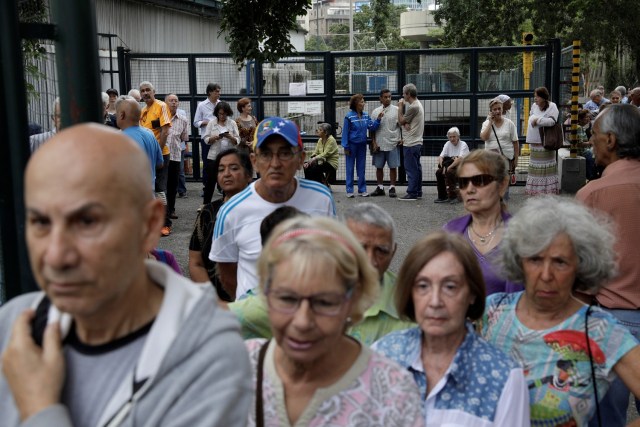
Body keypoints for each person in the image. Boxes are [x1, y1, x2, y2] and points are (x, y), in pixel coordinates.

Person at [0, 123, 252, 426]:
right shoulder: (14, 323)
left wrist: (38, 409)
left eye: (88, 222)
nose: (55, 255)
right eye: (40, 222)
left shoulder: (208, 358)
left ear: (148, 227)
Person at [245, 216, 423, 427]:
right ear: (265, 295)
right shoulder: (237, 368)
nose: (303, 322)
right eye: (287, 299)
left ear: (354, 300)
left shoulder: (393, 392)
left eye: (324, 303)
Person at [481, 196, 640, 427]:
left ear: (581, 266)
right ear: (519, 261)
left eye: (560, 262)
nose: (546, 275)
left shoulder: (599, 330)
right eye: (535, 259)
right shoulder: (491, 312)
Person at [373, 232, 529, 426]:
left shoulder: (503, 378)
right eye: (423, 286)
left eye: (450, 287)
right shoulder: (381, 356)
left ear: (472, 293)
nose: (435, 301)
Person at [230, 202, 415, 344]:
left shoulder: (410, 302)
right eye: (360, 248)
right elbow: (225, 316)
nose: (370, 261)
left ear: (394, 251)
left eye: (381, 251)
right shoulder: (299, 287)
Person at [210, 117, 336, 300]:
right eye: (266, 154)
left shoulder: (321, 198)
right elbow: (227, 271)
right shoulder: (231, 210)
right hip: (255, 322)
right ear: (254, 161)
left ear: (301, 159)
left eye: (285, 153)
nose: (275, 163)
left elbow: (330, 255)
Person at [576, 104, 640, 426]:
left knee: (606, 419)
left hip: (612, 323)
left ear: (611, 140)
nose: (591, 142)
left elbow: (580, 269)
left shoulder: (592, 194)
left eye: (594, 136)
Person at [443, 149, 522, 295]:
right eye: (463, 182)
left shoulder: (522, 236)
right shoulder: (449, 233)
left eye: (480, 181)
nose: (470, 189)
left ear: (503, 185)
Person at [189, 148, 253, 302]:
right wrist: (215, 302)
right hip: (216, 302)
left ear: (249, 174)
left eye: (234, 168)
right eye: (221, 169)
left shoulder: (260, 211)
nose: (227, 174)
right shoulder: (208, 213)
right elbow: (196, 262)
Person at [115, 95, 163, 191]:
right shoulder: (150, 135)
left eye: (116, 114)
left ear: (121, 115)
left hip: (131, 198)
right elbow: (160, 163)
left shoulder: (120, 138)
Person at [341, 93, 382, 198]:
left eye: (363, 101)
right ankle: (349, 190)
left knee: (361, 168)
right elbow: (345, 132)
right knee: (349, 168)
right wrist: (345, 146)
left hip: (362, 146)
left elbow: (371, 127)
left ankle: (362, 190)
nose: (364, 103)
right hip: (351, 145)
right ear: (356, 103)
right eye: (362, 102)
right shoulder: (348, 116)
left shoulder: (365, 115)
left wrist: (378, 120)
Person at [139, 81, 172, 211]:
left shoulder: (161, 106)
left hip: (161, 154)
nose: (145, 93)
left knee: (160, 187)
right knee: (149, 187)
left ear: (154, 92)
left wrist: (157, 152)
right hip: (147, 156)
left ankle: (165, 222)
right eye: (142, 91)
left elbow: (165, 131)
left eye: (148, 90)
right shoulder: (142, 111)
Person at [524, 87, 560, 195]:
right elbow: (531, 117)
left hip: (546, 141)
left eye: (538, 96)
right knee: (535, 166)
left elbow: (552, 121)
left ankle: (548, 190)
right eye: (535, 96)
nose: (535, 99)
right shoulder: (534, 106)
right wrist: (535, 120)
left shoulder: (552, 106)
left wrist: (538, 120)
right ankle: (535, 190)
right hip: (534, 142)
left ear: (544, 97)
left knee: (546, 167)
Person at [202, 101, 240, 204]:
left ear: (228, 113)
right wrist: (214, 138)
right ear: (217, 113)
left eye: (224, 114)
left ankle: (226, 204)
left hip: (229, 157)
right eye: (220, 114)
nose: (222, 116)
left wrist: (230, 137)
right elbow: (205, 138)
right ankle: (205, 205)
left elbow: (237, 139)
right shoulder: (212, 123)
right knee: (210, 182)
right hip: (214, 157)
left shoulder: (232, 123)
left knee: (227, 182)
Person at [163, 93, 189, 236]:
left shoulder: (183, 120)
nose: (174, 103)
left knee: (173, 185)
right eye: (171, 100)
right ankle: (163, 212)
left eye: (176, 101)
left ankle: (171, 209)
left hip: (175, 155)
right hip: (161, 156)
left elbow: (185, 137)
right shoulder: (161, 117)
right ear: (165, 103)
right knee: (162, 185)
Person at [480, 98, 519, 190]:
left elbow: (515, 142)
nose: (497, 111)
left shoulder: (510, 124)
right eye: (495, 109)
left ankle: (502, 201)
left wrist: (516, 159)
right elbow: (484, 137)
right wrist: (490, 122)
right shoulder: (486, 124)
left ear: (502, 109)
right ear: (491, 111)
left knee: (503, 185)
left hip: (506, 157)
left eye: (499, 109)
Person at [370, 88, 401, 198]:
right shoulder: (375, 112)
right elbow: (372, 130)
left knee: (393, 166)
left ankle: (392, 187)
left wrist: (401, 138)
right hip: (379, 143)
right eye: (385, 97)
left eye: (389, 97)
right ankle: (380, 187)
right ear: (380, 98)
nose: (388, 99)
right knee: (379, 167)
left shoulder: (397, 110)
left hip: (393, 142)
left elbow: (401, 126)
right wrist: (374, 143)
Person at [398, 83, 425, 201]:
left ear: (408, 94)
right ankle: (418, 191)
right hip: (416, 142)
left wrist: (400, 107)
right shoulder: (417, 105)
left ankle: (412, 192)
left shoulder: (413, 106)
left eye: (404, 93)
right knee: (417, 168)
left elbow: (400, 121)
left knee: (411, 169)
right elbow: (405, 121)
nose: (403, 96)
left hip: (411, 143)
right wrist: (405, 122)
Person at [193, 83, 221, 192]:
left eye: (219, 91)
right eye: (216, 91)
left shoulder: (221, 104)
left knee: (220, 162)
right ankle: (206, 187)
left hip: (219, 138)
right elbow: (195, 122)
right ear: (210, 92)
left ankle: (220, 186)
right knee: (207, 163)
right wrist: (204, 122)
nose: (219, 93)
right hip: (207, 138)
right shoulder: (202, 105)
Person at [434, 126, 469, 204]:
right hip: (449, 165)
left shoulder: (463, 144)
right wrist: (443, 166)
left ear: (458, 136)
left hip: (462, 167)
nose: (452, 139)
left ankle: (453, 196)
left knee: (450, 172)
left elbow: (459, 160)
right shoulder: (447, 144)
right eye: (450, 137)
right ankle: (442, 196)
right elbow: (441, 157)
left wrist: (448, 167)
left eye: (454, 136)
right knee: (438, 172)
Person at [303, 122, 338, 186]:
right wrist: (309, 161)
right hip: (322, 161)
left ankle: (319, 185)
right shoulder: (320, 140)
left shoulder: (331, 140)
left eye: (320, 130)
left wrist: (315, 158)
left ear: (325, 132)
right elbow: (315, 152)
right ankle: (309, 185)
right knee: (306, 166)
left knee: (315, 169)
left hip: (331, 163)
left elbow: (326, 154)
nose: (318, 131)